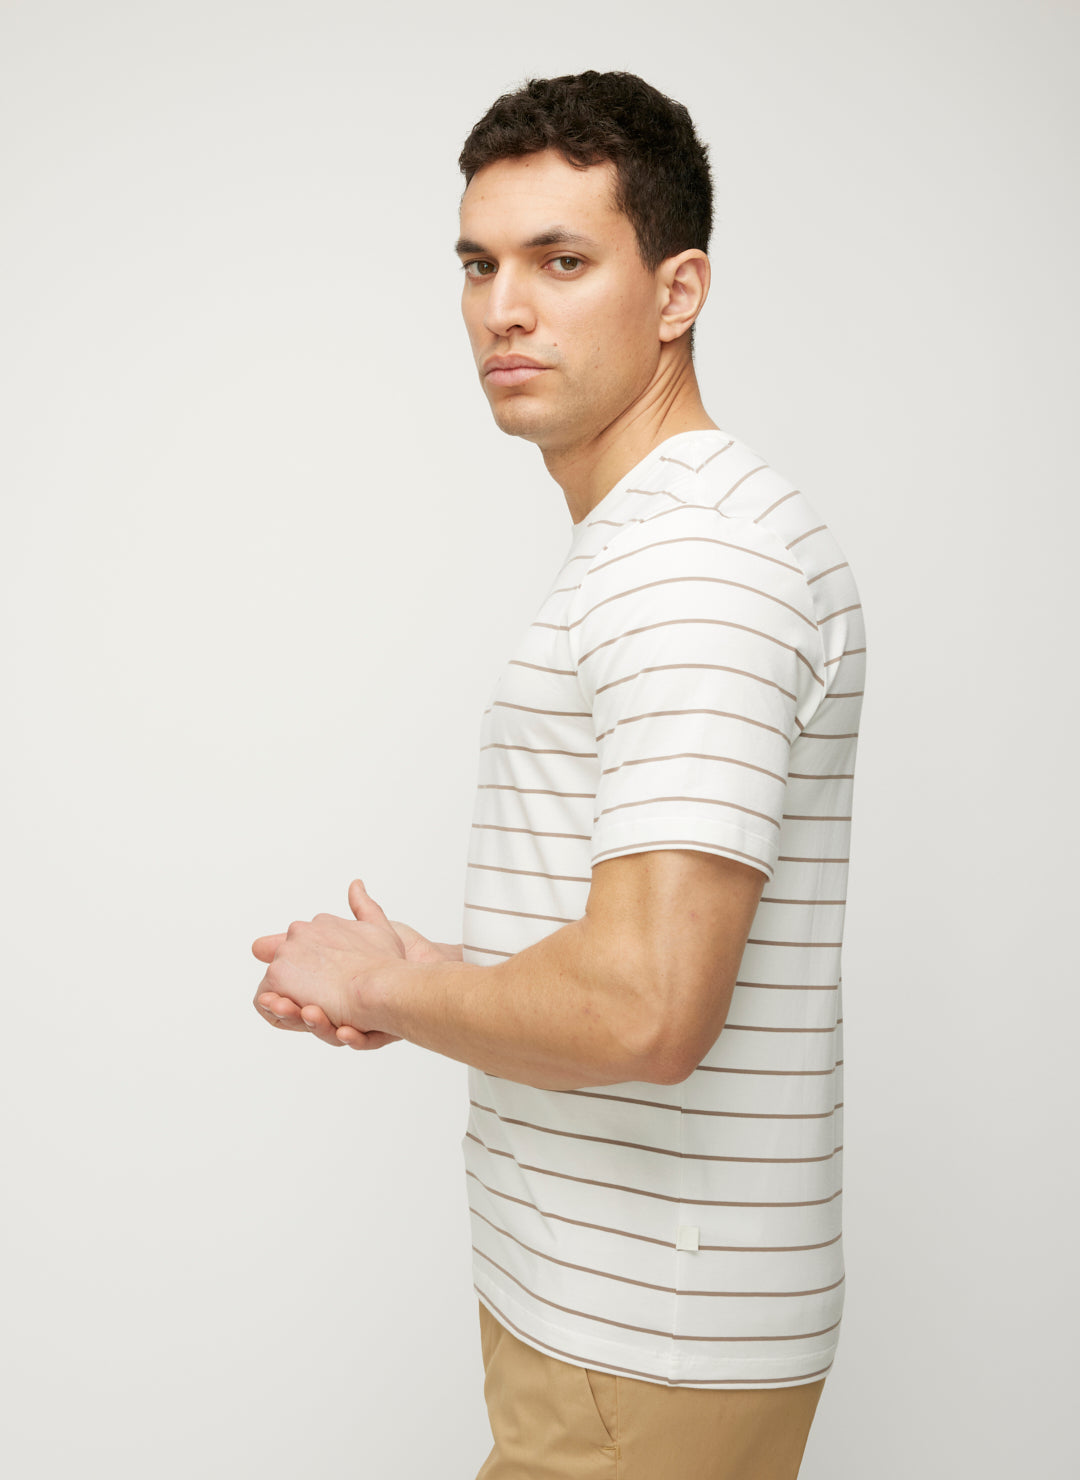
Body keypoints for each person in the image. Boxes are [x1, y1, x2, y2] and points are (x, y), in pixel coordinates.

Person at [252, 70, 864, 1479]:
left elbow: (646, 1012)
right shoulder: (664, 541)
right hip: (613, 1322)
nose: (503, 309)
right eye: (480, 264)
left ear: (677, 290)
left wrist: (384, 990)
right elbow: (633, 959)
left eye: (561, 261)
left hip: (640, 1336)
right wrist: (439, 976)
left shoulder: (696, 567)